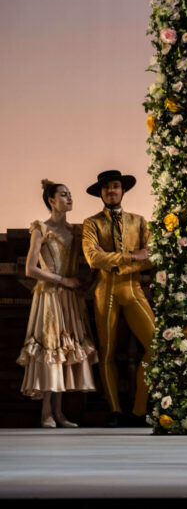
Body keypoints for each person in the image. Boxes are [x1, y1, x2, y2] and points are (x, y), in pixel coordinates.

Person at [18, 180, 98, 427]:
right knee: (51, 346)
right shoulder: (41, 228)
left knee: (66, 348)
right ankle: (45, 412)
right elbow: (31, 269)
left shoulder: (76, 231)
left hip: (70, 298)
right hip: (50, 295)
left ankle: (59, 412)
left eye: (70, 194)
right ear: (51, 200)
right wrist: (64, 280)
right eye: (64, 195)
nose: (69, 198)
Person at [82, 170, 154, 427]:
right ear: (100, 193)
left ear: (123, 190)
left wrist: (117, 262)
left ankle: (139, 410)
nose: (111, 191)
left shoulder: (139, 221)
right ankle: (114, 409)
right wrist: (133, 256)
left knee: (156, 347)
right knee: (107, 351)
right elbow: (93, 258)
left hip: (133, 290)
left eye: (115, 186)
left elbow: (154, 257)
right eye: (106, 188)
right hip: (105, 292)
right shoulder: (91, 223)